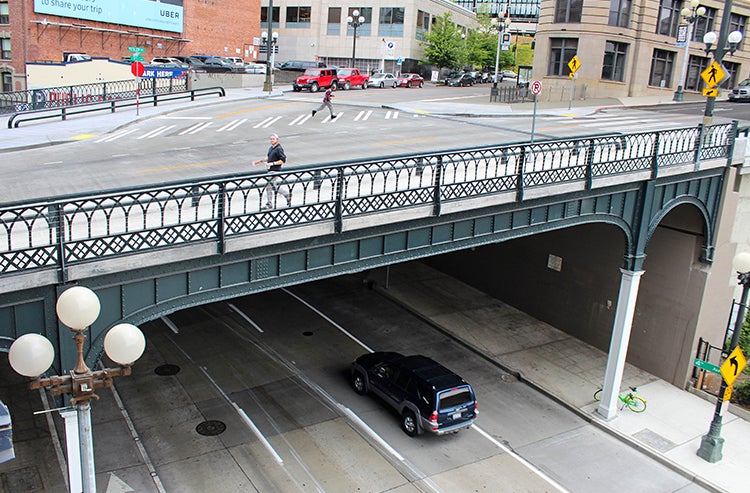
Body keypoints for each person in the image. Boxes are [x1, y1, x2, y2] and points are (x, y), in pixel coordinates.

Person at [253, 133, 291, 209]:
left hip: (275, 170)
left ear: (277, 140)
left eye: (273, 139)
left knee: (269, 186)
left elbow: (283, 160)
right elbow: (269, 157)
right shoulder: (271, 148)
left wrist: (272, 163)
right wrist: (259, 161)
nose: (272, 140)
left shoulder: (279, 149)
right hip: (270, 170)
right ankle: (287, 195)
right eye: (271, 139)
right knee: (273, 186)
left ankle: (269, 203)